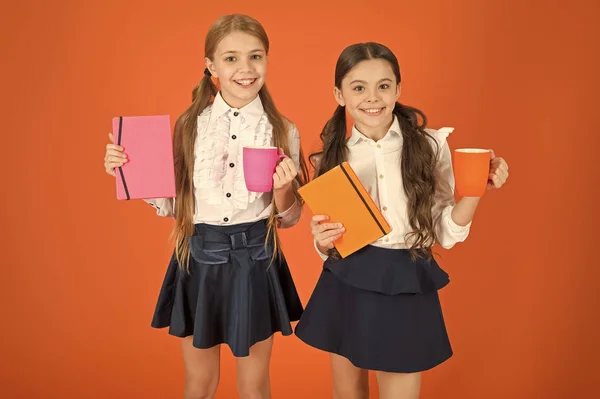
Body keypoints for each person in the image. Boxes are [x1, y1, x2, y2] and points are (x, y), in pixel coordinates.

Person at [103, 14, 309, 399]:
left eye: (255, 56)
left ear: (267, 60)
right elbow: (171, 204)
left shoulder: (283, 129)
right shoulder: (190, 127)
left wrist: (284, 190)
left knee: (254, 386)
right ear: (211, 66)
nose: (245, 69)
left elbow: (290, 217)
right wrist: (127, 168)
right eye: (231, 58)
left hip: (256, 260)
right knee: (199, 383)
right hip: (199, 258)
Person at [294, 42, 509, 399]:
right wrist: (322, 241)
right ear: (339, 94)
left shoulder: (429, 146)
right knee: (349, 394)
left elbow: (446, 232)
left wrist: (473, 192)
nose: (372, 97)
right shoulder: (329, 158)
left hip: (406, 277)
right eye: (358, 87)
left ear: (398, 89)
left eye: (384, 85)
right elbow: (331, 247)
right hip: (347, 281)